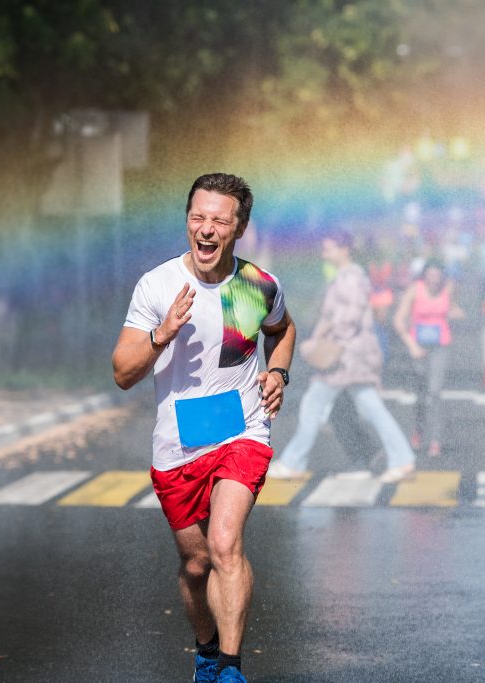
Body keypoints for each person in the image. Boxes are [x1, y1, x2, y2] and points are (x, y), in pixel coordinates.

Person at [112, 173, 296, 683]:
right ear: (188, 222)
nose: (207, 229)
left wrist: (278, 371)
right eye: (199, 218)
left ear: (239, 228)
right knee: (196, 565)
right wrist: (160, 334)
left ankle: (232, 669)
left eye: (219, 220)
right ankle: (207, 651)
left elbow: (284, 329)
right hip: (177, 443)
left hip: (242, 431)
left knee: (224, 544)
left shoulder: (259, 285)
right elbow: (123, 373)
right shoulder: (158, 284)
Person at [267, 229, 417, 484]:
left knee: (314, 405)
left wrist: (324, 339)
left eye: (329, 248)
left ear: (344, 249)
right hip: (350, 356)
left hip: (346, 357)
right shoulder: (346, 277)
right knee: (370, 406)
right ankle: (402, 459)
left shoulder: (351, 279)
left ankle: (293, 462)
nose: (324, 252)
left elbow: (348, 318)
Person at [392, 260, 465, 457]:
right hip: (419, 348)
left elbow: (453, 309)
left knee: (435, 391)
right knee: (421, 393)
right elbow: (399, 320)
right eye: (430, 275)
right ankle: (418, 429)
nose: (434, 280)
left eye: (438, 275)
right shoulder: (415, 291)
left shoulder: (448, 291)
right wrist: (412, 345)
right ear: (424, 276)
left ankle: (435, 439)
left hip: (440, 347)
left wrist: (456, 314)